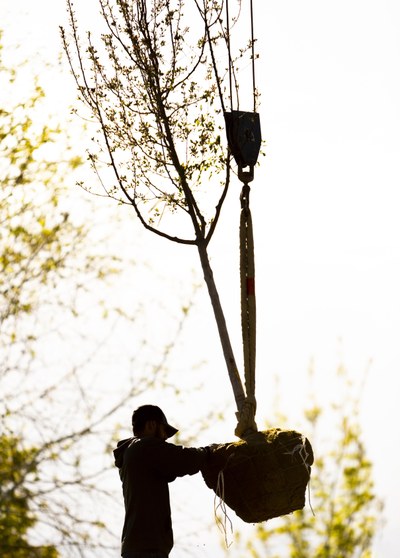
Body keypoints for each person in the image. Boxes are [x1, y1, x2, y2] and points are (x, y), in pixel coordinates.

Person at [113, 404, 211, 558]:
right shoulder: (142, 447)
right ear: (151, 425)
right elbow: (181, 459)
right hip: (146, 550)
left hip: (140, 548)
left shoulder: (132, 454)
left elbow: (169, 469)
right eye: (164, 431)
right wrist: (209, 453)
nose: (165, 437)